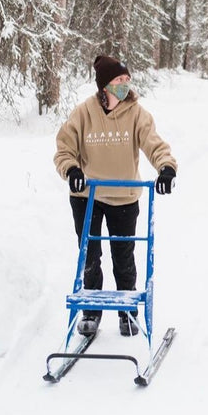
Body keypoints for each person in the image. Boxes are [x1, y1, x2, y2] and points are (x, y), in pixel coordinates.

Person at [54, 53, 178, 338]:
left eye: (127, 80)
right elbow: (64, 149)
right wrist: (71, 169)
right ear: (104, 86)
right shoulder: (84, 112)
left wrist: (166, 167)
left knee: (124, 257)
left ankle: (127, 312)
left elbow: (154, 144)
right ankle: (91, 310)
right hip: (88, 195)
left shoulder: (136, 113)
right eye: (119, 80)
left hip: (124, 196)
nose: (125, 85)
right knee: (90, 256)